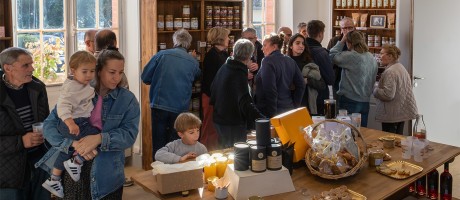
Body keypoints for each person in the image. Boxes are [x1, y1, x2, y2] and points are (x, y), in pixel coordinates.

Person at [39, 48, 140, 200]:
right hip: (73, 176)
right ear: (98, 71)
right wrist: (72, 144)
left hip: (106, 177)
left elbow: (129, 136)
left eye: (121, 72)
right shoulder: (78, 91)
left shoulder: (127, 100)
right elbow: (49, 126)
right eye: (112, 72)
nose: (117, 78)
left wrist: (99, 139)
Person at [39, 51, 99, 198]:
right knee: (95, 141)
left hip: (78, 122)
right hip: (74, 123)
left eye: (92, 71)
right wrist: (70, 123)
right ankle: (75, 162)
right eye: (84, 71)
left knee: (67, 151)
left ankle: (55, 178)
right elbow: (63, 106)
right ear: (73, 70)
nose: (89, 75)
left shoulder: (81, 84)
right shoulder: (71, 87)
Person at [0, 47, 51, 199]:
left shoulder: (38, 87)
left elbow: (46, 121)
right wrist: (21, 141)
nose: (32, 68)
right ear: (8, 68)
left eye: (32, 64)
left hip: (40, 161)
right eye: (25, 65)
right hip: (8, 169)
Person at [141, 28, 201, 158]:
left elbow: (145, 77)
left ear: (174, 41)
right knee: (176, 144)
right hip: (180, 108)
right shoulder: (193, 62)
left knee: (159, 143)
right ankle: (173, 175)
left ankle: (158, 173)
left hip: (159, 104)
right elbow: (196, 77)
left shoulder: (162, 55)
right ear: (189, 44)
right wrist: (193, 59)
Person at [210, 39, 265, 148]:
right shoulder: (238, 73)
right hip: (232, 122)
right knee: (236, 155)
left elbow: (213, 89)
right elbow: (245, 102)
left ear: (234, 52)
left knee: (225, 151)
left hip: (220, 117)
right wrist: (261, 119)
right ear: (250, 56)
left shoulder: (226, 66)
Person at [329, 30, 378, 127]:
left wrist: (341, 41)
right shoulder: (371, 57)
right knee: (362, 132)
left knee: (346, 132)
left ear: (349, 42)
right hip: (365, 101)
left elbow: (331, 55)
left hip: (350, 100)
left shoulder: (351, 56)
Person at [255, 33, 305, 118]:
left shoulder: (267, 61)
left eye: (265, 45)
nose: (262, 48)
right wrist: (295, 106)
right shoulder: (290, 60)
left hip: (271, 111)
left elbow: (270, 89)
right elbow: (301, 84)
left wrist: (272, 114)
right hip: (288, 109)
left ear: (274, 47)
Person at [374, 45, 418, 134]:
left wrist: (375, 90)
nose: (379, 56)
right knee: (398, 139)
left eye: (382, 53)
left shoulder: (390, 71)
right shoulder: (400, 67)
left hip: (392, 114)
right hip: (400, 111)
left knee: (389, 141)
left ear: (390, 56)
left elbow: (388, 95)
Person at [200, 27, 230, 151]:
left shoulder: (224, 54)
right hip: (211, 97)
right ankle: (205, 153)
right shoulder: (211, 55)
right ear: (221, 38)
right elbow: (210, 81)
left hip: (220, 97)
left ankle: (215, 152)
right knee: (209, 127)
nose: (229, 39)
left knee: (217, 128)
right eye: (227, 37)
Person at [286, 33, 326, 114]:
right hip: (288, 103)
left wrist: (307, 81)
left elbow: (322, 85)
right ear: (291, 46)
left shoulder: (309, 64)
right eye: (297, 43)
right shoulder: (285, 62)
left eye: (303, 43)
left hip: (306, 103)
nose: (301, 46)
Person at [306, 20, 335, 115]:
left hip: (302, 96)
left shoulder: (301, 49)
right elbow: (330, 79)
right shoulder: (321, 53)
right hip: (318, 97)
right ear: (320, 34)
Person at [327, 17, 355, 97]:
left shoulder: (358, 40)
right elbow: (328, 59)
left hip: (353, 79)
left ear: (354, 28)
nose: (348, 30)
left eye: (350, 27)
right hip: (337, 78)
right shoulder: (334, 41)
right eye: (345, 28)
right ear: (341, 29)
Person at [241, 27, 263, 93]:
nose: (247, 41)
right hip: (242, 87)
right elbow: (233, 67)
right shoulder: (237, 49)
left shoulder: (262, 50)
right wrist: (244, 73)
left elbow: (267, 69)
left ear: (255, 39)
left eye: (250, 39)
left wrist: (258, 66)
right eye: (245, 39)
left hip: (258, 87)